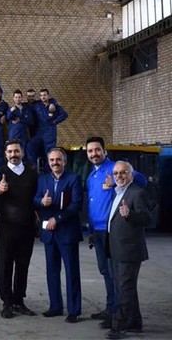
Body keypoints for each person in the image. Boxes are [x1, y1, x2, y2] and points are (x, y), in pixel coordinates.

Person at [85, 137, 148, 327]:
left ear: (105, 151)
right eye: (90, 151)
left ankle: (117, 315)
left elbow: (141, 180)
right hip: (97, 231)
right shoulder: (91, 175)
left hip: (112, 233)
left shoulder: (116, 168)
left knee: (119, 277)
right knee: (107, 272)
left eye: (97, 150)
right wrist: (90, 229)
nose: (94, 154)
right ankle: (112, 308)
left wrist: (119, 178)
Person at [34, 148, 83, 323]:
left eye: (58, 160)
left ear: (64, 161)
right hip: (49, 233)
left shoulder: (74, 179)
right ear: (48, 162)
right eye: (52, 160)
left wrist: (58, 218)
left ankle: (74, 310)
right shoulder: (43, 179)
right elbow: (35, 199)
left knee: (71, 272)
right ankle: (55, 306)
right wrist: (41, 201)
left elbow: (76, 204)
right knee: (52, 271)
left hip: (67, 232)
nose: (55, 163)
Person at [103, 161, 151, 340]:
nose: (119, 176)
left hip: (129, 251)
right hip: (117, 249)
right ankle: (135, 322)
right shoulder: (118, 192)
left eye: (123, 172)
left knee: (125, 288)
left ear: (131, 174)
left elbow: (147, 218)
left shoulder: (137, 193)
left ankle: (119, 327)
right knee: (127, 288)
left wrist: (130, 214)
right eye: (116, 173)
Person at [0, 140, 39, 318]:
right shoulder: (0, 172)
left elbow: (36, 198)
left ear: (23, 153)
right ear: (5, 154)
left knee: (23, 265)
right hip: (6, 227)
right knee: (5, 265)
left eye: (16, 151)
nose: (13, 154)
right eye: (10, 151)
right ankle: (7, 302)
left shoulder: (32, 174)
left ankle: (19, 300)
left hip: (27, 227)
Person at [26, 89, 68, 168]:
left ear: (48, 96)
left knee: (49, 153)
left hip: (50, 133)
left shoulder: (54, 106)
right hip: (39, 133)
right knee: (29, 146)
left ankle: (48, 170)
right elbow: (27, 106)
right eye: (41, 95)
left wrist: (54, 122)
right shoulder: (37, 105)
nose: (43, 97)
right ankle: (34, 166)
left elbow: (64, 114)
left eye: (44, 95)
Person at [7, 90, 34, 157]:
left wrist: (20, 120)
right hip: (14, 135)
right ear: (13, 98)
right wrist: (11, 111)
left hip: (24, 135)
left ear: (22, 98)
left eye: (19, 97)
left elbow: (31, 120)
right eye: (16, 97)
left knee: (24, 153)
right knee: (13, 153)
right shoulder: (10, 109)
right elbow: (8, 117)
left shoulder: (27, 108)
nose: (18, 99)